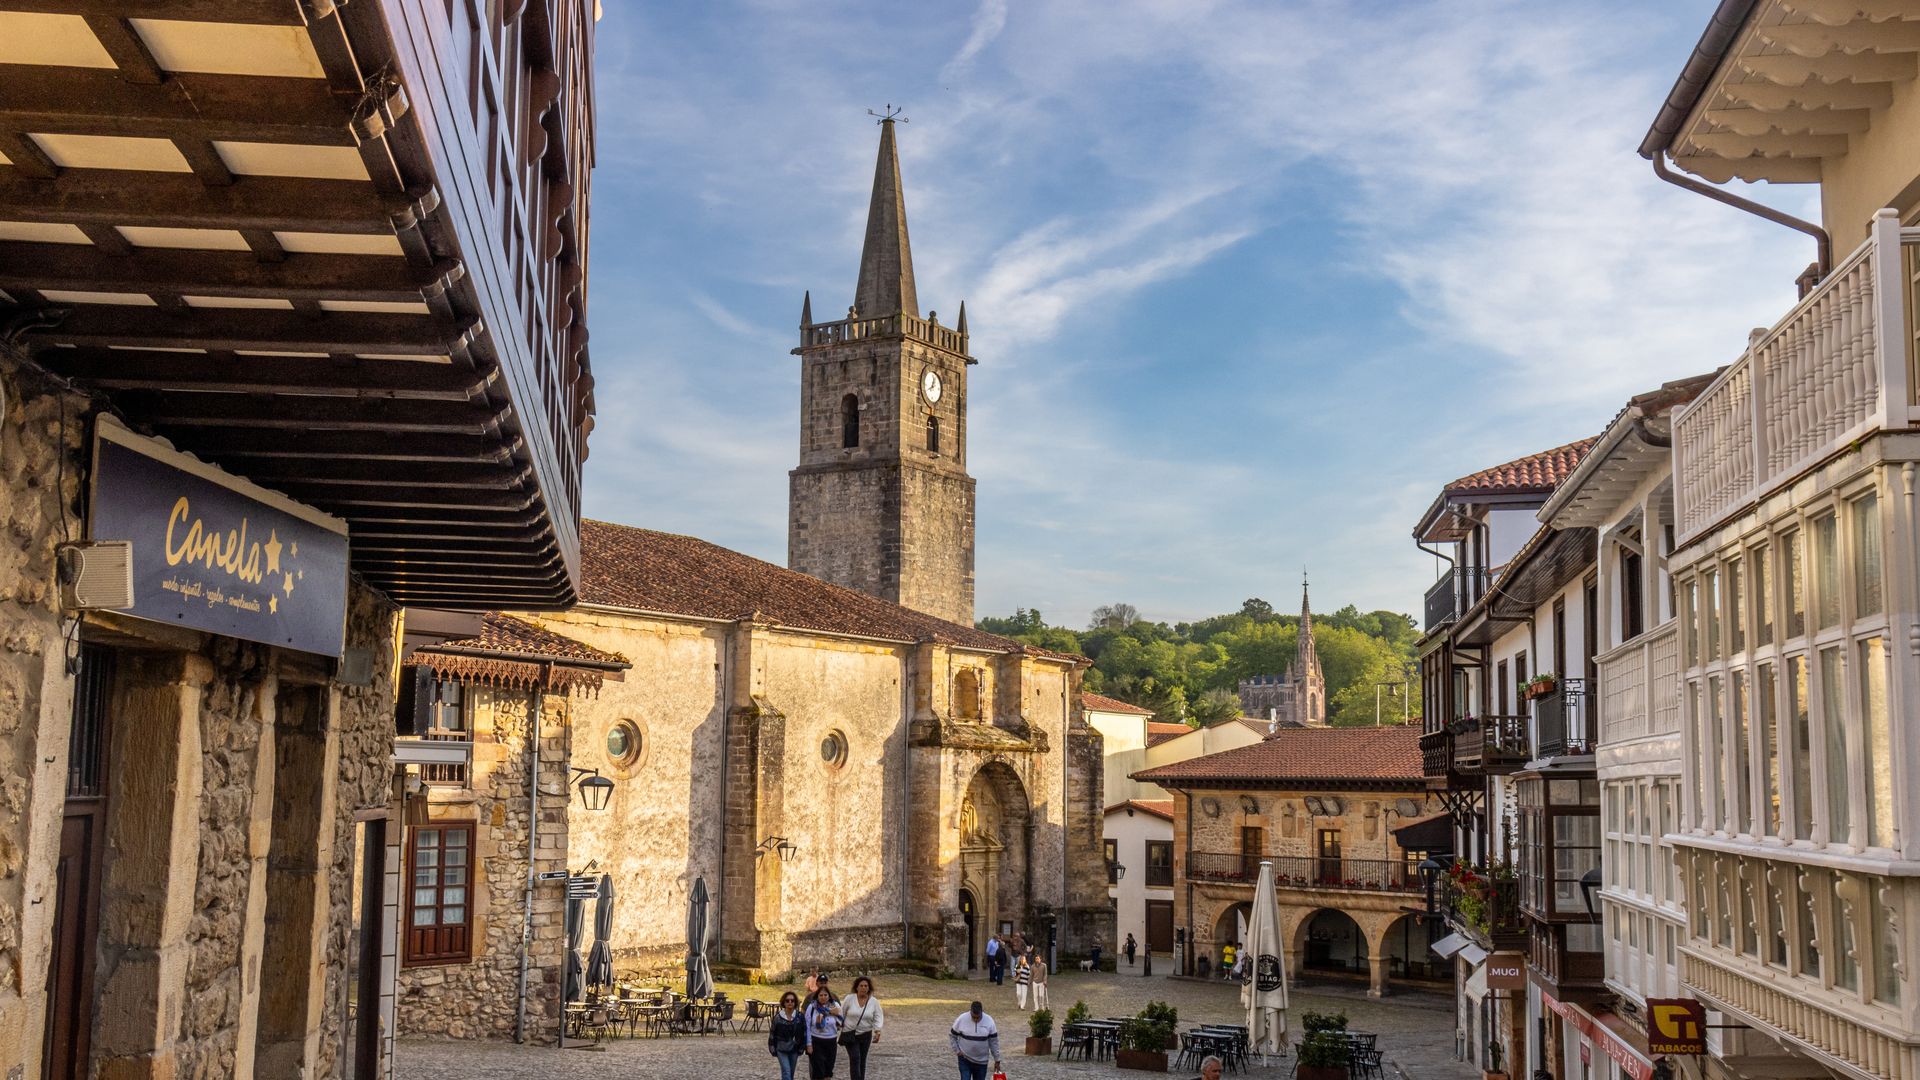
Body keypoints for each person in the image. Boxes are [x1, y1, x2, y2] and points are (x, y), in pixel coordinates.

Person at [839, 976, 884, 1080]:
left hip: (865, 1035)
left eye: (866, 986)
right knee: (855, 1058)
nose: (863, 988)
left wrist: (877, 1031)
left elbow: (878, 1016)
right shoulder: (849, 999)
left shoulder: (874, 1002)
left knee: (862, 1060)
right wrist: (838, 1024)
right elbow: (842, 1012)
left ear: (869, 988)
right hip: (850, 1034)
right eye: (861, 986)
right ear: (857, 987)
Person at [949, 1000, 1001, 1080]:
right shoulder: (962, 1019)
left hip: (982, 1062)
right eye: (973, 1017)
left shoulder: (989, 1021)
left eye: (978, 1017)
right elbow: (952, 1035)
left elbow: (994, 1042)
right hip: (965, 1059)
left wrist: (997, 1059)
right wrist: (957, 1051)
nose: (976, 1019)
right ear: (970, 1012)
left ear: (982, 1012)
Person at [768, 991, 807, 1080]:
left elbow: (804, 1033)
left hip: (794, 1049)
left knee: (791, 1072)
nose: (790, 1002)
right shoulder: (778, 1017)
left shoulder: (800, 1017)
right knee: (786, 1071)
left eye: (792, 1001)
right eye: (787, 1000)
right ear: (784, 1002)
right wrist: (772, 1048)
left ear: (795, 1002)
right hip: (781, 1049)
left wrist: (802, 1047)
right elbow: (772, 1033)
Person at [804, 986, 842, 1078]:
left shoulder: (835, 1006)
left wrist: (829, 1014)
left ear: (829, 996)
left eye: (825, 995)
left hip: (831, 1041)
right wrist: (808, 1044)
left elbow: (841, 1021)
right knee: (818, 1070)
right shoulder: (812, 1007)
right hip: (816, 1041)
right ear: (817, 996)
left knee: (828, 1070)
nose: (823, 997)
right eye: (821, 995)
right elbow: (807, 1026)